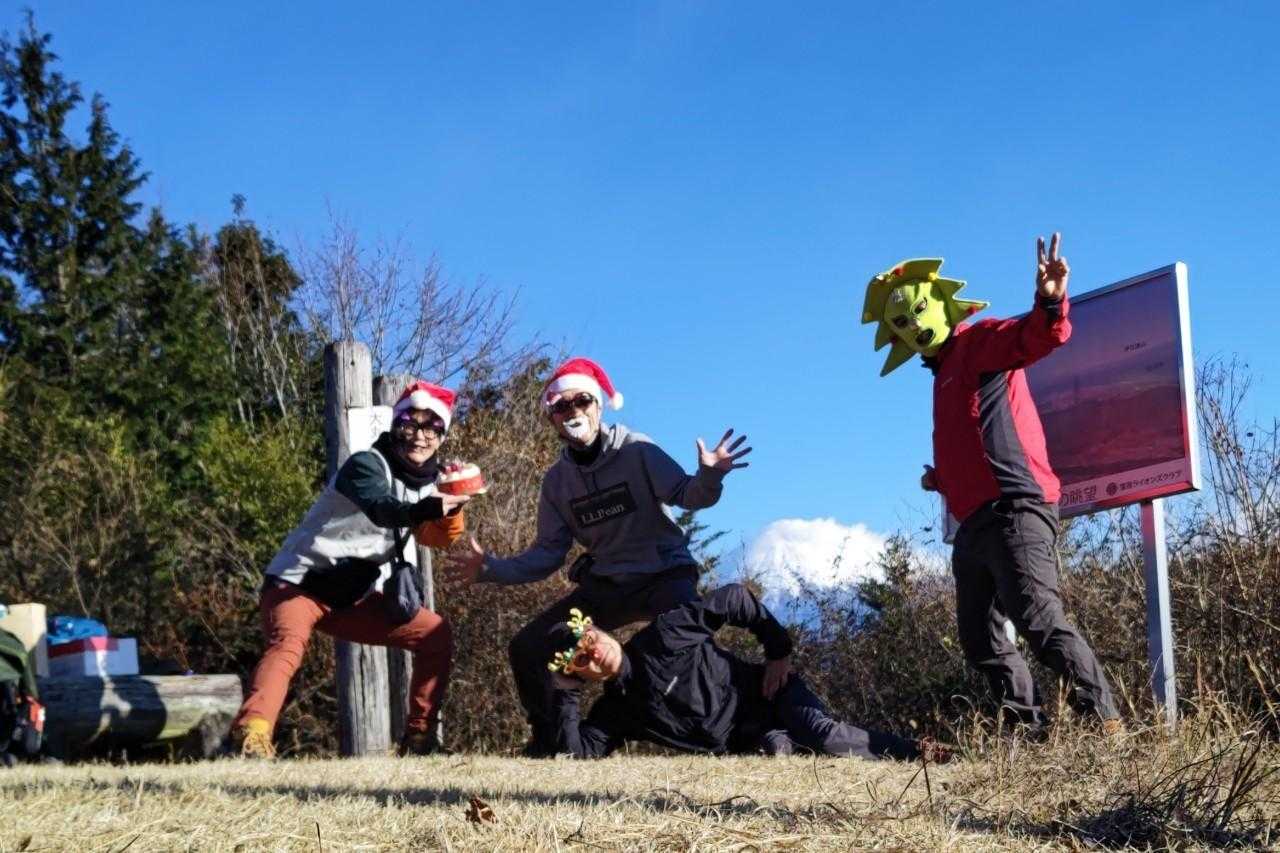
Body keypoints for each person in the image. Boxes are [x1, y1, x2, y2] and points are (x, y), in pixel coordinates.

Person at [859, 233, 1121, 733]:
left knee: (1037, 618)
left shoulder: (978, 341)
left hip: (1015, 507)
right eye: (902, 322)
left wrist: (1050, 300)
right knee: (980, 637)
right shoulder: (943, 376)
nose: (915, 325)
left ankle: (1105, 723)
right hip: (975, 523)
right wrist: (941, 480)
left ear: (941, 304)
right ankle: (1027, 730)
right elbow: (976, 438)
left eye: (918, 310)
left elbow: (1037, 337)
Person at [445, 356, 752, 756]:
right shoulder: (557, 483)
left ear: (599, 406)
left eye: (582, 401)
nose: (573, 411)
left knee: (689, 651)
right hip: (608, 586)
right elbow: (548, 554)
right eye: (561, 406)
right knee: (529, 646)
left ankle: (747, 725)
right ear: (552, 419)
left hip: (665, 576)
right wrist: (491, 569)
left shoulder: (638, 450)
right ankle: (548, 742)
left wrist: (711, 475)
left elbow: (688, 495)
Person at [230, 381, 471, 758]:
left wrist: (454, 504)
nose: (419, 436)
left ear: (442, 435)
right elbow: (381, 508)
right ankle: (253, 736)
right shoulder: (365, 464)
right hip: (299, 583)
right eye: (409, 423)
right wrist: (428, 508)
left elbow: (436, 538)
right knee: (287, 647)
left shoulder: (431, 483)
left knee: (434, 633)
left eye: (431, 427)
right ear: (394, 425)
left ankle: (420, 740)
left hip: (350, 596)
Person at [548, 584, 937, 761]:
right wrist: (564, 693)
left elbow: (733, 599)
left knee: (821, 733)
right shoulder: (617, 711)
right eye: (580, 660)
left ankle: (920, 753)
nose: (593, 652)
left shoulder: (663, 637)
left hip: (775, 694)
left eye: (589, 639)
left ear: (596, 628)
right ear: (579, 675)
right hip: (753, 741)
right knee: (778, 753)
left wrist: (778, 651)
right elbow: (575, 755)